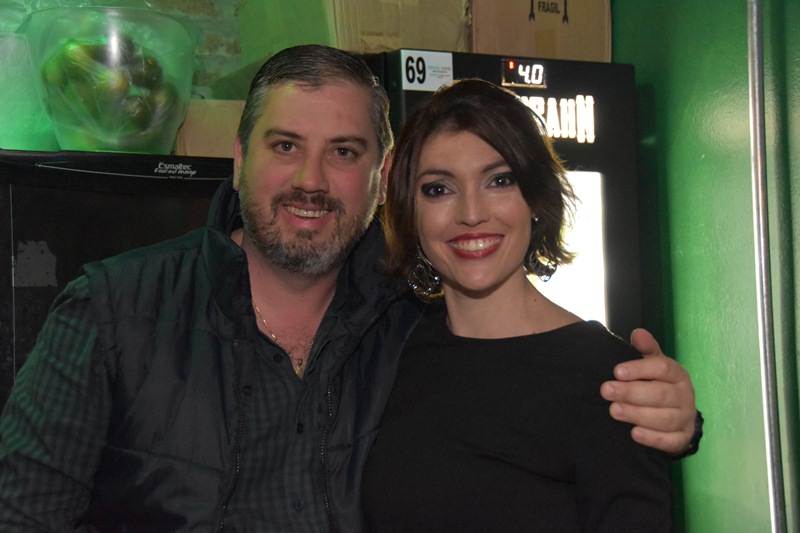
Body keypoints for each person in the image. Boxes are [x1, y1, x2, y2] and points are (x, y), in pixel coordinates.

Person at [0, 45, 698, 532]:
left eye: (343, 151)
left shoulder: (403, 316)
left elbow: (532, 392)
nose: (311, 180)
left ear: (379, 176)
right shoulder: (113, 313)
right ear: (238, 159)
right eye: (284, 146)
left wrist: (674, 419)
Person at [361, 78, 672, 531]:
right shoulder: (395, 350)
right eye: (439, 189)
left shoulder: (609, 378)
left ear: (536, 199)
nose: (471, 214)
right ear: (411, 211)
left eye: (499, 181)